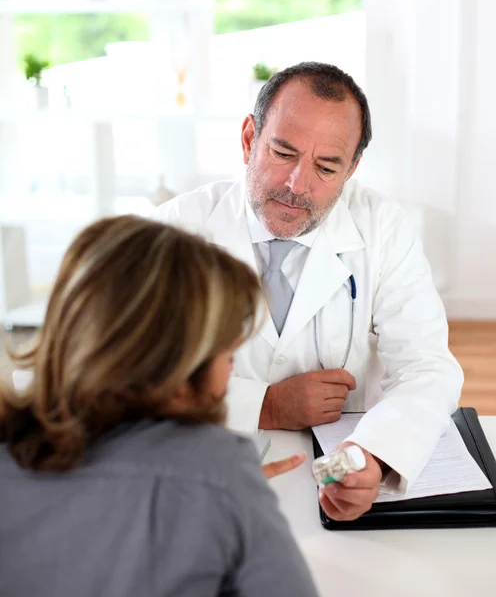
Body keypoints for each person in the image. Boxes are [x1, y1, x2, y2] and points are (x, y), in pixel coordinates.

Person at [155, 61, 464, 522]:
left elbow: (427, 366)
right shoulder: (175, 230)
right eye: (282, 153)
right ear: (248, 139)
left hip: (337, 480)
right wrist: (267, 405)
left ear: (352, 168)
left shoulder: (383, 228)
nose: (298, 185)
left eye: (326, 167)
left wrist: (373, 459)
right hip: (205, 474)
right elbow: (129, 376)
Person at [0, 216, 318, 597]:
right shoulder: (219, 471)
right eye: (227, 351)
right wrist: (228, 498)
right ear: (174, 362)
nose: (232, 365)